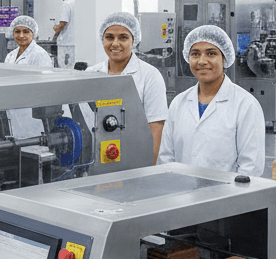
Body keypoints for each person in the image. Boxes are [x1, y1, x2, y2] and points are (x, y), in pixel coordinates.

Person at [158, 25, 264, 178]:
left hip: (227, 197)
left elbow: (251, 167)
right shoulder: (178, 103)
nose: (202, 61)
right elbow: (167, 156)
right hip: (183, 195)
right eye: (195, 54)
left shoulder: (246, 105)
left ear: (224, 58)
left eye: (211, 53)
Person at [85, 11, 168, 164]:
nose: (115, 43)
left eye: (123, 37)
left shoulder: (150, 76)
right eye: (109, 37)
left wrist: (148, 168)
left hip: (136, 155)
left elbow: (156, 127)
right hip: (97, 157)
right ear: (102, 39)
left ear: (134, 40)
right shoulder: (91, 74)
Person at [3, 14, 51, 138]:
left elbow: (45, 85)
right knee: (18, 141)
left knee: (34, 143)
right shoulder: (11, 56)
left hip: (31, 110)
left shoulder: (40, 55)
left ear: (33, 33)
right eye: (17, 31)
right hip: (14, 107)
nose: (21, 36)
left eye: (26, 31)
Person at [51, 0, 75, 68]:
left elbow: (63, 23)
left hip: (66, 42)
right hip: (75, 42)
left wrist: (55, 28)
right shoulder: (76, 3)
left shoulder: (66, 4)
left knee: (64, 66)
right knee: (72, 66)